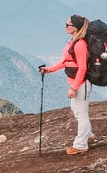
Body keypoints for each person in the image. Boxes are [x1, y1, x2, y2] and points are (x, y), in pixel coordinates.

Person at [39, 14, 95, 154]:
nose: (65, 27)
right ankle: (88, 135)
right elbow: (66, 61)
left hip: (81, 84)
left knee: (81, 114)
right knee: (77, 111)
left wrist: (74, 88)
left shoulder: (80, 44)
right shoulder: (73, 42)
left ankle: (81, 145)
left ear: (75, 28)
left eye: (67, 25)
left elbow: (82, 68)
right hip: (77, 83)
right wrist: (49, 70)